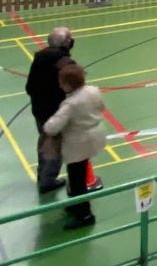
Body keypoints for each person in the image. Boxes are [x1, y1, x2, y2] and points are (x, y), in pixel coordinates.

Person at [43, 64, 105, 229]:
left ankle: (85, 215)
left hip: (78, 144)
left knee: (77, 181)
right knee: (80, 174)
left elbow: (52, 127)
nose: (59, 85)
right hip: (94, 137)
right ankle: (77, 205)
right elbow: (101, 107)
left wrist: (46, 126)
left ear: (68, 84)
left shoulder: (70, 104)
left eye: (61, 82)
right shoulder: (93, 90)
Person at [25, 27, 76, 194]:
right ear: (66, 42)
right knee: (54, 146)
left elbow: (29, 86)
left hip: (38, 109)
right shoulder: (64, 62)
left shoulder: (40, 56)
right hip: (53, 112)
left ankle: (43, 175)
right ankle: (47, 181)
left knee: (44, 141)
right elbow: (73, 88)